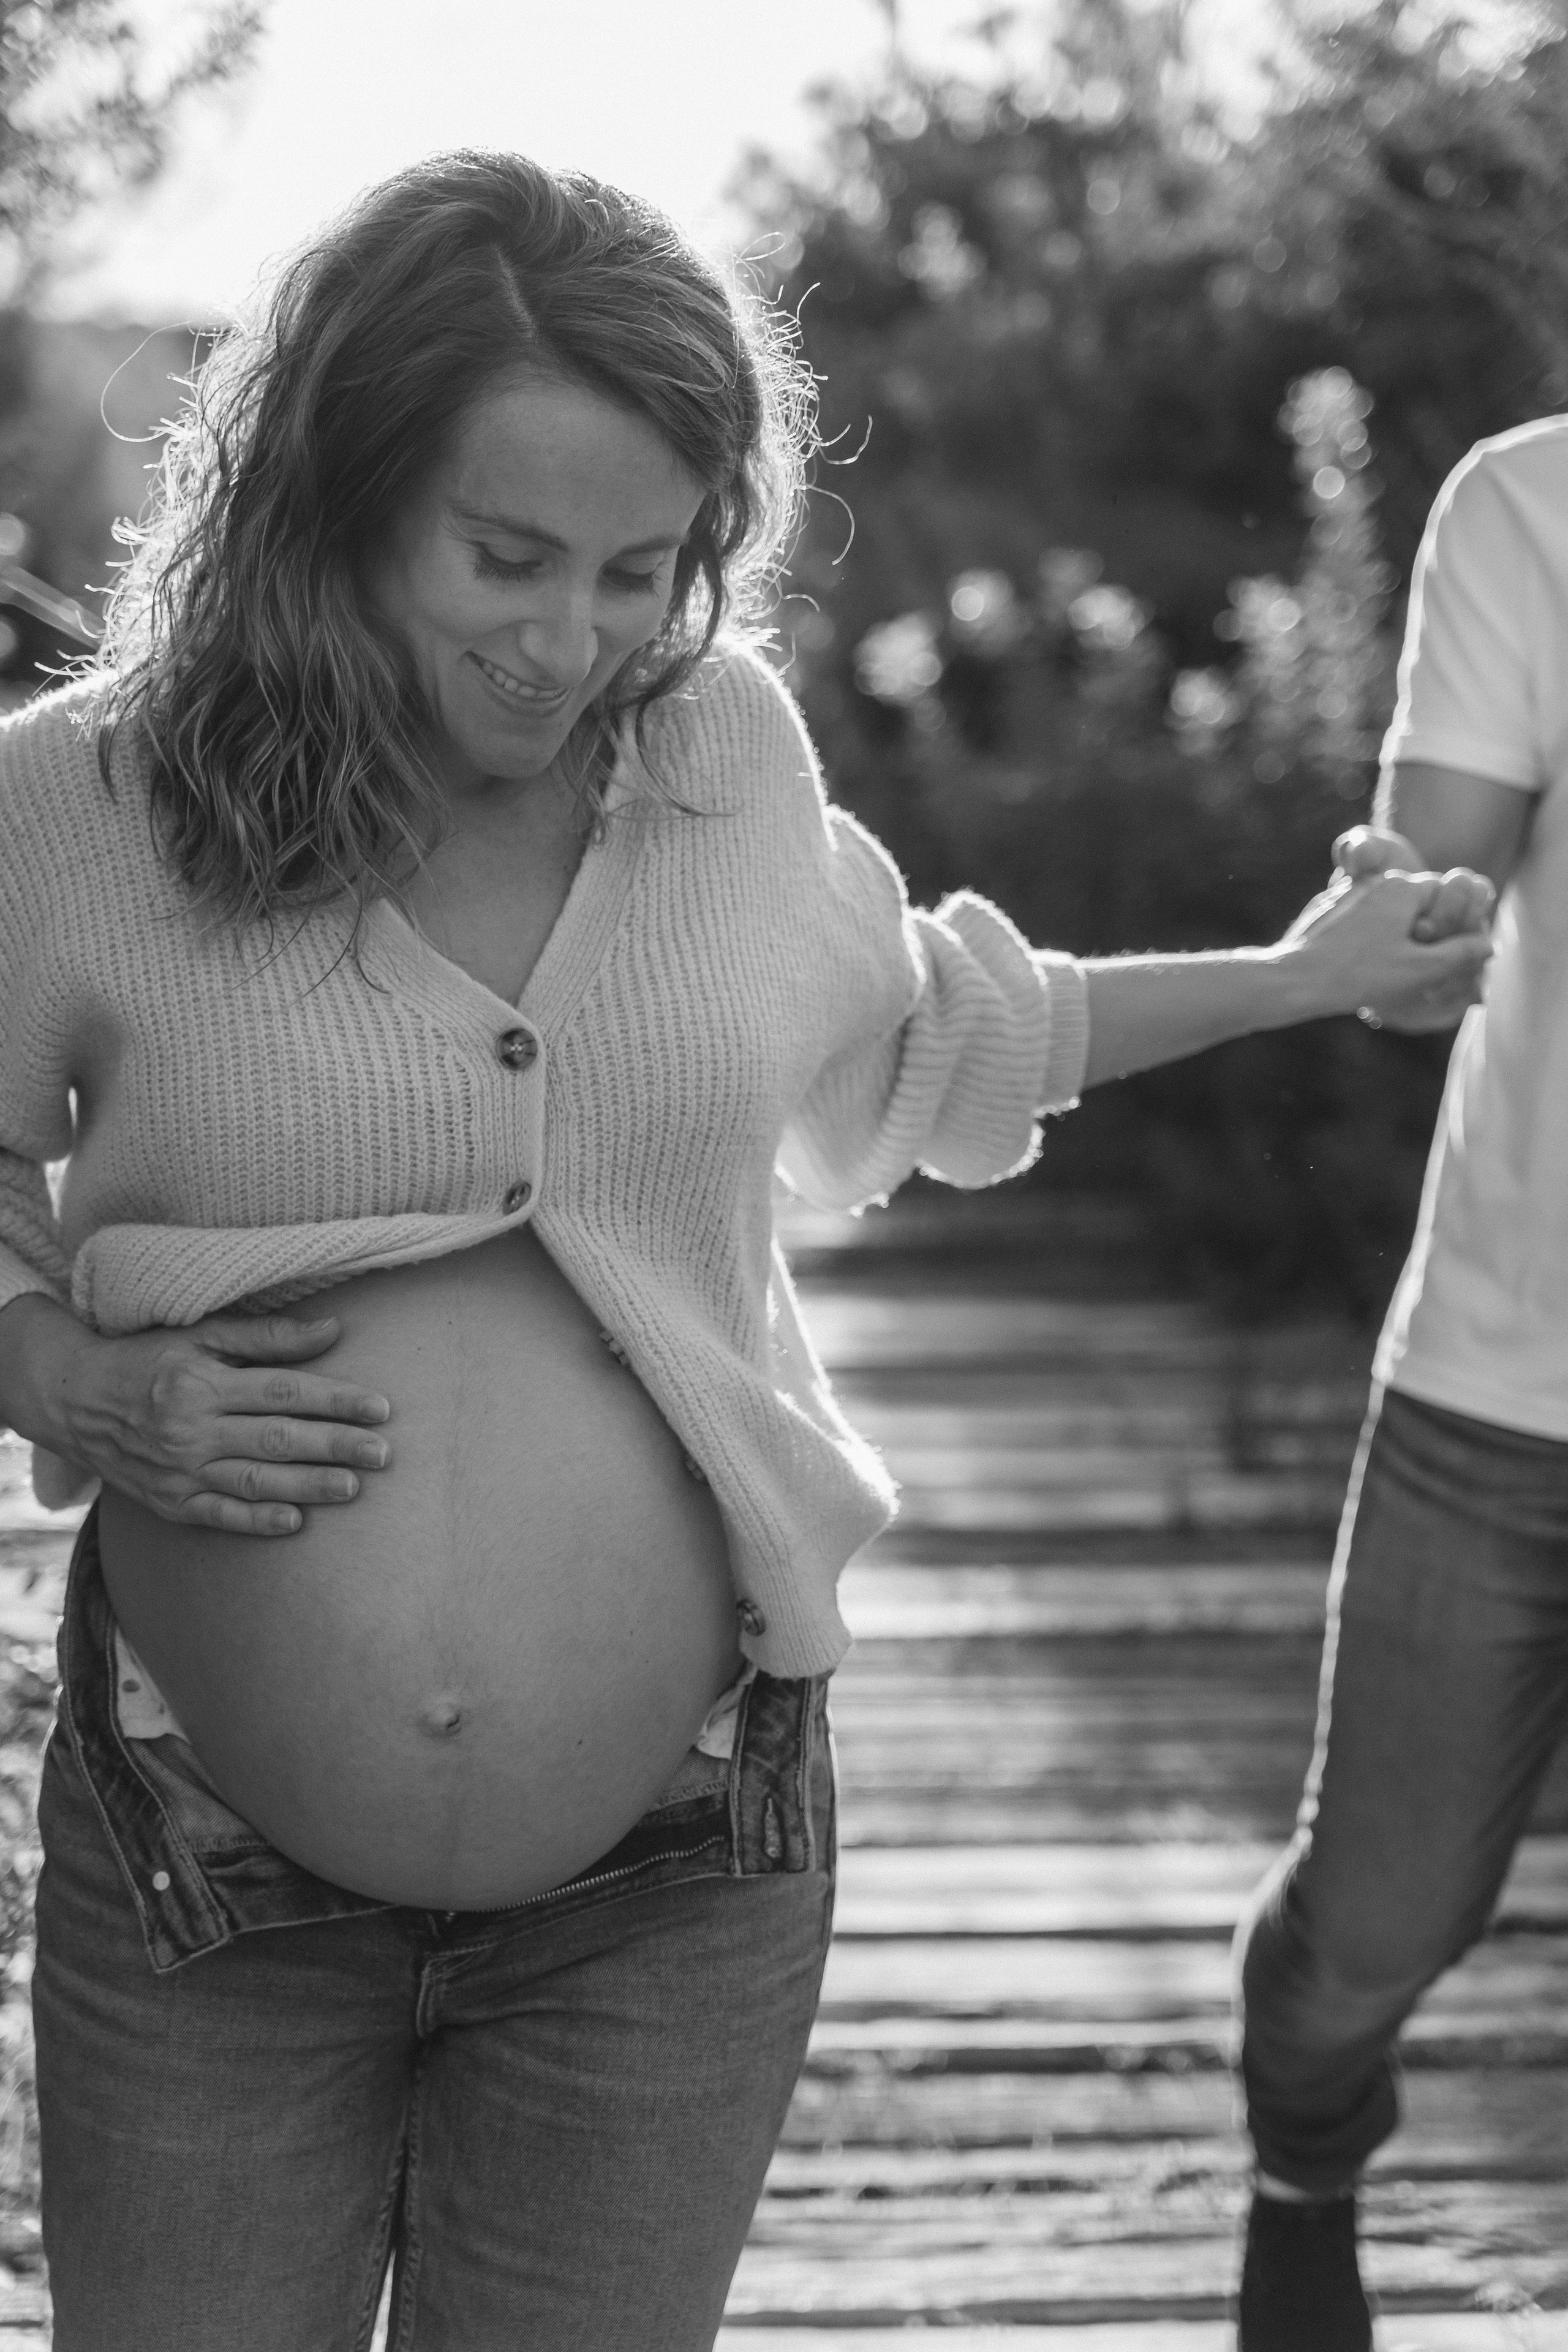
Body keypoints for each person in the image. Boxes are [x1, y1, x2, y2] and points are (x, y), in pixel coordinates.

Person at [0, 153, 1491, 2352]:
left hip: (681, 1874)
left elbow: (927, 1025)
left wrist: (1298, 973)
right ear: (335, 490)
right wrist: (63, 1375)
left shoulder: (714, 759)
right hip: (204, 1870)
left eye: (638, 568)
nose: (569, 637)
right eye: (502, 556)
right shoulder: (82, 812)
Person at [1232, 414, 1568, 2351]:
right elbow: (1433, 890)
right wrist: (1407, 921)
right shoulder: (1528, 504)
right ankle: (1305, 2161)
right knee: (1370, 1930)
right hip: (1509, 1383)